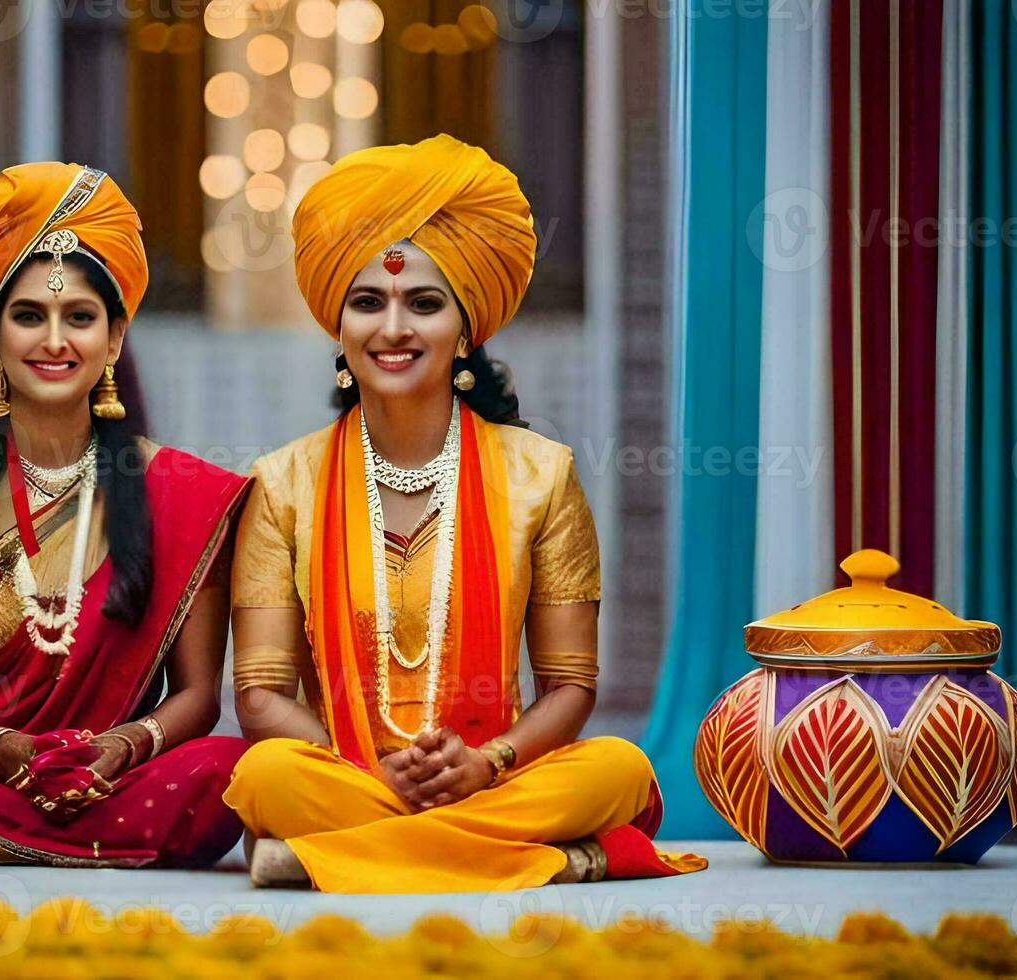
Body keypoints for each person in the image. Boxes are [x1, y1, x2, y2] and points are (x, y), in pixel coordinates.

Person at [223, 135, 706, 893]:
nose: (393, 329)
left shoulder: (540, 474)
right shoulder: (283, 483)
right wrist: (370, 767)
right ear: (339, 329)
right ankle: (549, 859)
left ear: (466, 328)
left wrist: (488, 763)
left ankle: (335, 856)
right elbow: (259, 697)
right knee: (263, 774)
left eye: (423, 303)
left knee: (619, 768)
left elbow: (571, 686)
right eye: (367, 302)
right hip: (351, 773)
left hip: (494, 775)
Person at [0, 162, 249, 867]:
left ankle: (3, 841)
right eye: (29, 316)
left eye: (79, 318)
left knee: (225, 769)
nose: (54, 341)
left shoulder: (179, 491)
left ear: (113, 340)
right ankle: (76, 843)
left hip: (117, 777)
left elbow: (199, 696)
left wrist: (119, 748)